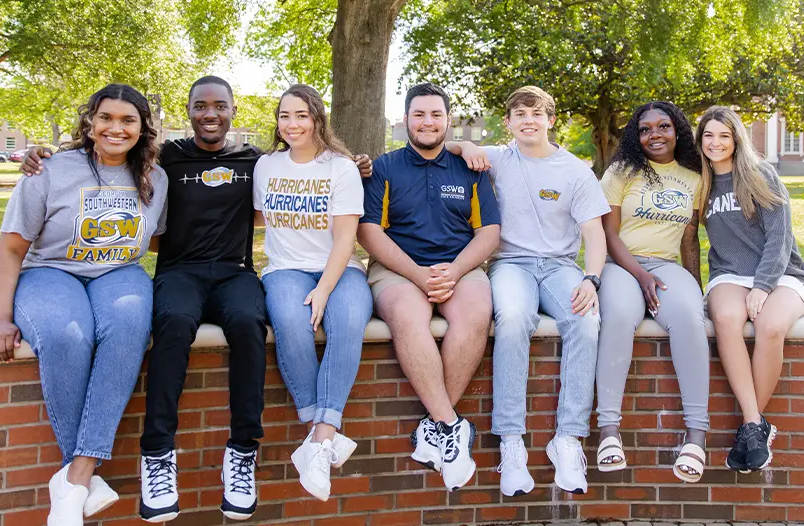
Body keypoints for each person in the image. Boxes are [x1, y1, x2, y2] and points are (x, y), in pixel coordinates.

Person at [20, 76, 372, 523]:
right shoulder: (163, 156)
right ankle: (158, 456)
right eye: (201, 106)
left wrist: (356, 165)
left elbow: (301, 184)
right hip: (179, 272)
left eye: (220, 106)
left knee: (248, 325)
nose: (210, 114)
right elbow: (108, 158)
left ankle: (242, 454)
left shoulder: (255, 161)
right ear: (188, 111)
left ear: (233, 112)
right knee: (171, 326)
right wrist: (41, 155)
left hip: (234, 273)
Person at [0, 84, 168, 526]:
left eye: (128, 121)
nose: (115, 128)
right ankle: (79, 474)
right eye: (106, 118)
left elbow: (159, 239)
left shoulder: (155, 178)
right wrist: (1, 319)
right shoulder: (51, 170)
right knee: (67, 337)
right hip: (50, 271)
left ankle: (77, 474)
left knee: (128, 328)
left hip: (119, 272)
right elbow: (9, 249)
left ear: (143, 129)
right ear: (90, 121)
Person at [448, 86, 608, 496]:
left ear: (551, 121)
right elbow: (444, 145)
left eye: (536, 114)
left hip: (560, 266)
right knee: (514, 319)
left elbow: (594, 232)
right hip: (511, 265)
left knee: (585, 319)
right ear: (508, 123)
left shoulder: (575, 171)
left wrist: (591, 278)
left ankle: (568, 438)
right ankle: (511, 442)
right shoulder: (499, 159)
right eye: (519, 114)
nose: (528, 121)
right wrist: (466, 143)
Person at [357, 83, 500, 492]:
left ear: (448, 120)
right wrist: (419, 276)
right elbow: (369, 233)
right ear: (406, 121)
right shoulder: (384, 167)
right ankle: (452, 426)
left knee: (475, 315)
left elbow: (488, 233)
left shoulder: (470, 168)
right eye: (418, 114)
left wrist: (454, 272)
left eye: (436, 114)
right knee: (408, 317)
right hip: (398, 269)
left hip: (461, 266)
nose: (427, 122)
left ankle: (435, 428)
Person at [252, 84, 373, 501]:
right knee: (291, 322)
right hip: (284, 269)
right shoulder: (266, 165)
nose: (292, 124)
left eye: (301, 115)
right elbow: (250, 216)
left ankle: (320, 436)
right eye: (285, 116)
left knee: (349, 321)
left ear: (318, 118)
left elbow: (346, 239)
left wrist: (324, 289)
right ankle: (320, 437)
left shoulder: (339, 168)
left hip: (340, 269)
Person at [594, 101, 710, 483]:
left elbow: (689, 239)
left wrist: (696, 287)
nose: (654, 135)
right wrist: (641, 275)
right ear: (636, 135)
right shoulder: (621, 171)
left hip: (666, 267)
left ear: (678, 130)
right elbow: (609, 236)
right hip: (623, 265)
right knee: (621, 316)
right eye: (645, 129)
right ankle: (609, 431)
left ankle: (696, 436)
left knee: (690, 319)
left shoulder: (693, 177)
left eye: (663, 127)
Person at [696, 106, 804, 473]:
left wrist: (763, 286)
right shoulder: (700, 182)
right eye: (709, 136)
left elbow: (780, 238)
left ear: (736, 139)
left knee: (771, 327)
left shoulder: (761, 175)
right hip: (729, 274)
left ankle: (750, 428)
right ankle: (755, 425)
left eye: (724, 136)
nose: (716, 143)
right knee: (728, 318)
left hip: (780, 273)